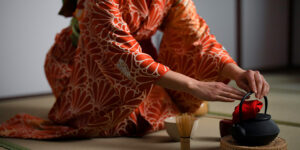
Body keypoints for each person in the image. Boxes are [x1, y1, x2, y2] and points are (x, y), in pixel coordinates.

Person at [0, 0, 269, 139]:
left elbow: (195, 36)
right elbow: (116, 50)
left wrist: (236, 72)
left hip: (136, 60)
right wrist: (193, 85)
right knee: (124, 122)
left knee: (163, 113)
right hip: (84, 63)